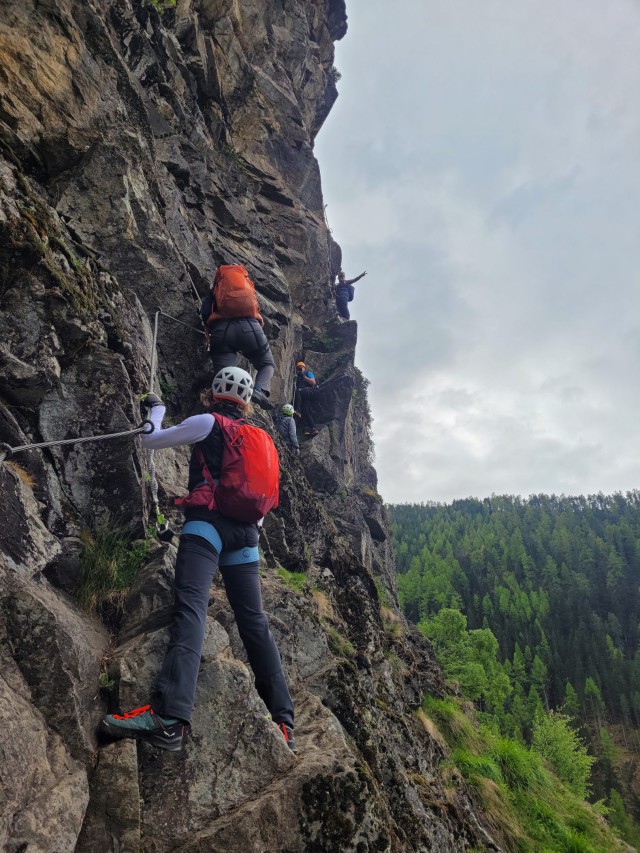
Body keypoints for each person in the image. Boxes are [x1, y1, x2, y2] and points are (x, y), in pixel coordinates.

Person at [101, 367, 296, 753]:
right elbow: (265, 497)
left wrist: (156, 408)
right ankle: (284, 723)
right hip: (247, 535)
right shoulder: (262, 438)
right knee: (255, 623)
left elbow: (151, 440)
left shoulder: (208, 422)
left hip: (207, 525)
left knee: (192, 609)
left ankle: (170, 719)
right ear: (247, 401)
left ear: (215, 392)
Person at [200, 264, 275, 409]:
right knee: (267, 364)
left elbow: (205, 312)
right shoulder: (247, 288)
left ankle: (220, 406)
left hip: (221, 332)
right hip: (250, 328)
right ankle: (258, 390)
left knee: (224, 376)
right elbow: (256, 307)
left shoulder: (216, 290)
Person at [294, 361, 320, 437]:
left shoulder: (308, 373)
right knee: (305, 411)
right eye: (298, 368)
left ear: (304, 367)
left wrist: (304, 377)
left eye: (301, 367)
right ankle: (313, 428)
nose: (300, 369)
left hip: (310, 391)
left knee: (298, 390)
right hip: (305, 395)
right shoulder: (297, 376)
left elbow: (313, 382)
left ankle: (298, 411)